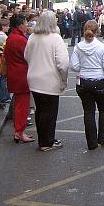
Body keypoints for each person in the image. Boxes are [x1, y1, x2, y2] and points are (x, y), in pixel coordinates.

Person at [24, 10, 69, 151]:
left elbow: (26, 55)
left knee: (40, 111)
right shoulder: (55, 38)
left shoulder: (32, 37)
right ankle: (47, 142)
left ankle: (43, 139)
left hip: (34, 79)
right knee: (50, 113)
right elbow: (63, 63)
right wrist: (64, 79)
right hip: (50, 80)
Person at [70, 20, 104, 150]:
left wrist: (83, 66)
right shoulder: (102, 47)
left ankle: (91, 143)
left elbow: (74, 66)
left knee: (88, 112)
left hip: (84, 81)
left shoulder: (78, 47)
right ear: (97, 31)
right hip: (99, 80)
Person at [5, 15, 32, 143]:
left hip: (15, 74)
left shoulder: (12, 37)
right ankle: (20, 132)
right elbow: (28, 56)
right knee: (22, 106)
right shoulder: (19, 39)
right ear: (20, 24)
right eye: (26, 23)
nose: (27, 25)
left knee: (19, 104)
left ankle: (19, 131)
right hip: (22, 75)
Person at [0, 19, 11, 103]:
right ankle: (4, 97)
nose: (8, 28)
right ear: (3, 27)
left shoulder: (0, 35)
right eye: (7, 26)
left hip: (1, 56)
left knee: (4, 78)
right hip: (3, 58)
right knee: (4, 78)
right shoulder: (2, 36)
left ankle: (4, 96)